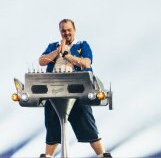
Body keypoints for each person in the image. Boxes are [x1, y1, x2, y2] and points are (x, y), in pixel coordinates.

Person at [36, 19, 111, 158]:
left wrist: (67, 55)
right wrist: (58, 52)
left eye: (69, 30)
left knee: (87, 123)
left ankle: (102, 154)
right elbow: (41, 61)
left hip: (78, 90)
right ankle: (48, 156)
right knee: (52, 126)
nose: (66, 33)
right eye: (63, 30)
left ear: (74, 30)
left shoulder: (82, 45)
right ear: (60, 32)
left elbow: (86, 63)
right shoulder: (53, 46)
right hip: (55, 92)